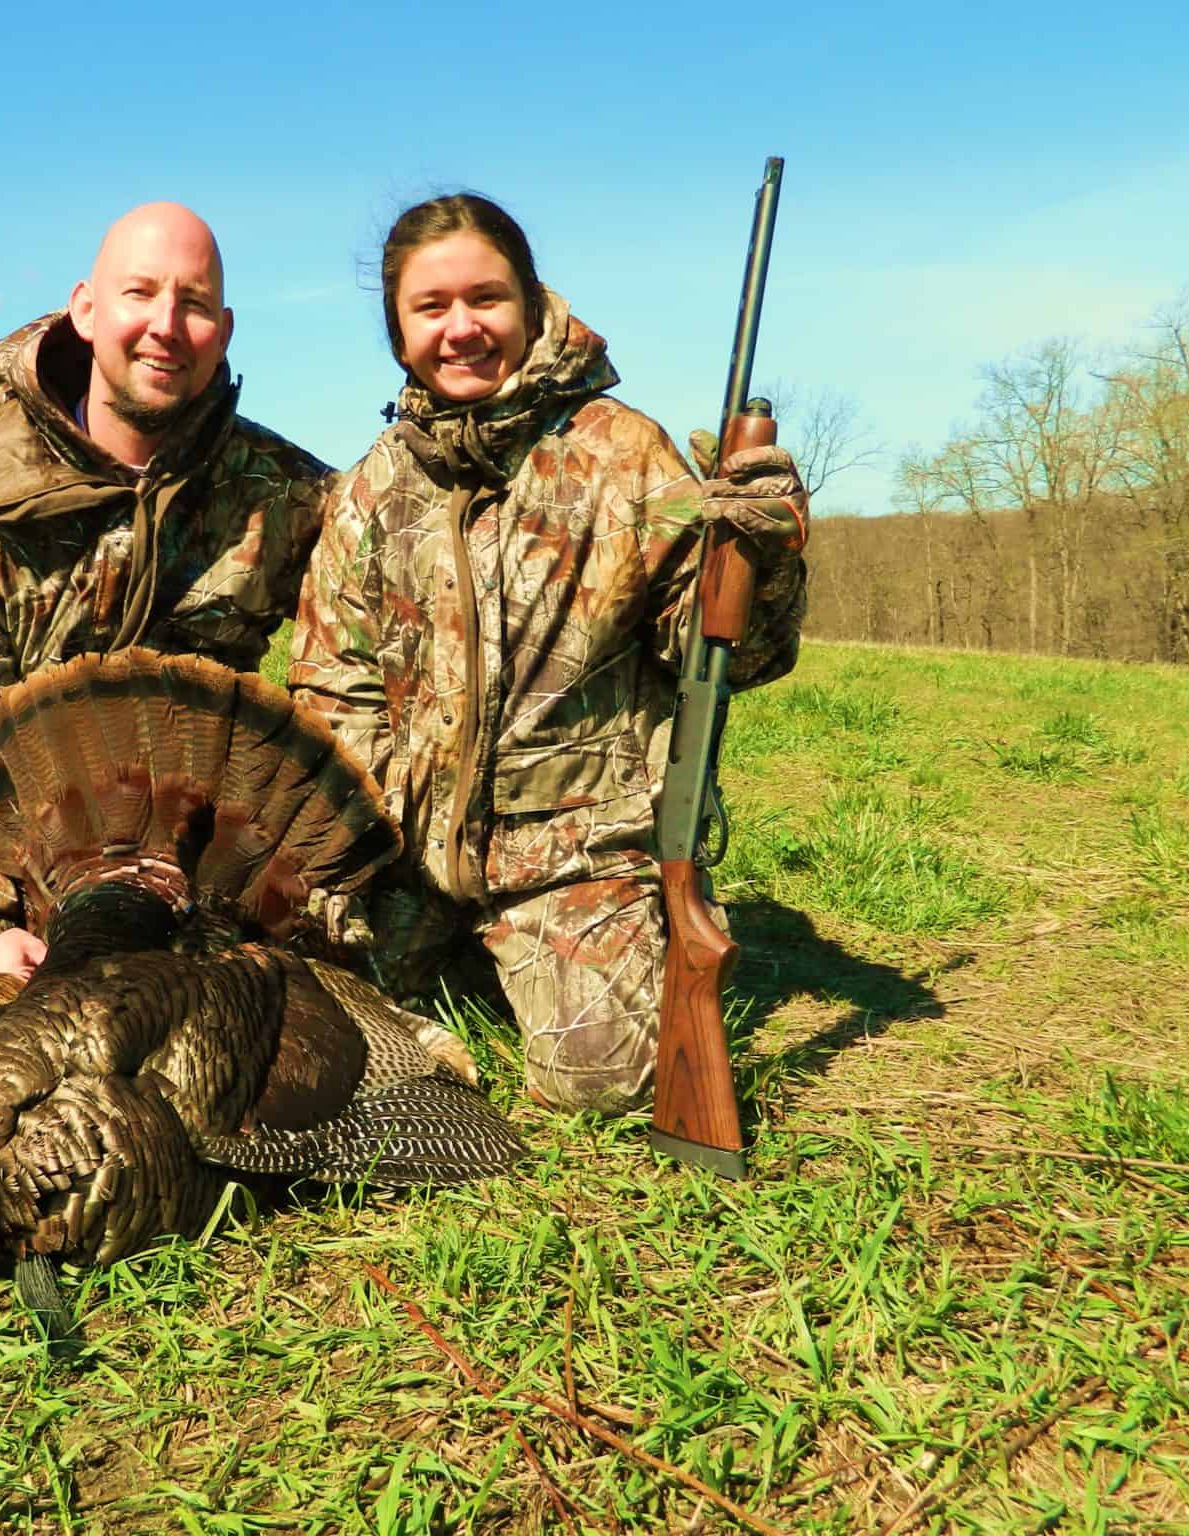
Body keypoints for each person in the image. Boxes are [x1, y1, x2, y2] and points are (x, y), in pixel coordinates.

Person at [289, 193, 808, 1114]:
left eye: (485, 298)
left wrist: (762, 560)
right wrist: (352, 858)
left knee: (603, 1083)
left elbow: (733, 655)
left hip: (575, 857)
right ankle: (479, 964)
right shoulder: (374, 485)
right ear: (400, 331)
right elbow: (334, 687)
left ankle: (586, 950)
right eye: (431, 307)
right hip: (408, 857)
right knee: (280, 1016)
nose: (461, 328)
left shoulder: (623, 453)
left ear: (530, 304)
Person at [0, 202, 331, 1032]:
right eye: (140, 293)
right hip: (11, 848)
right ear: (86, 310)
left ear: (224, 330)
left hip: (192, 859)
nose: (165, 325)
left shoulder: (285, 495)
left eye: (193, 302)